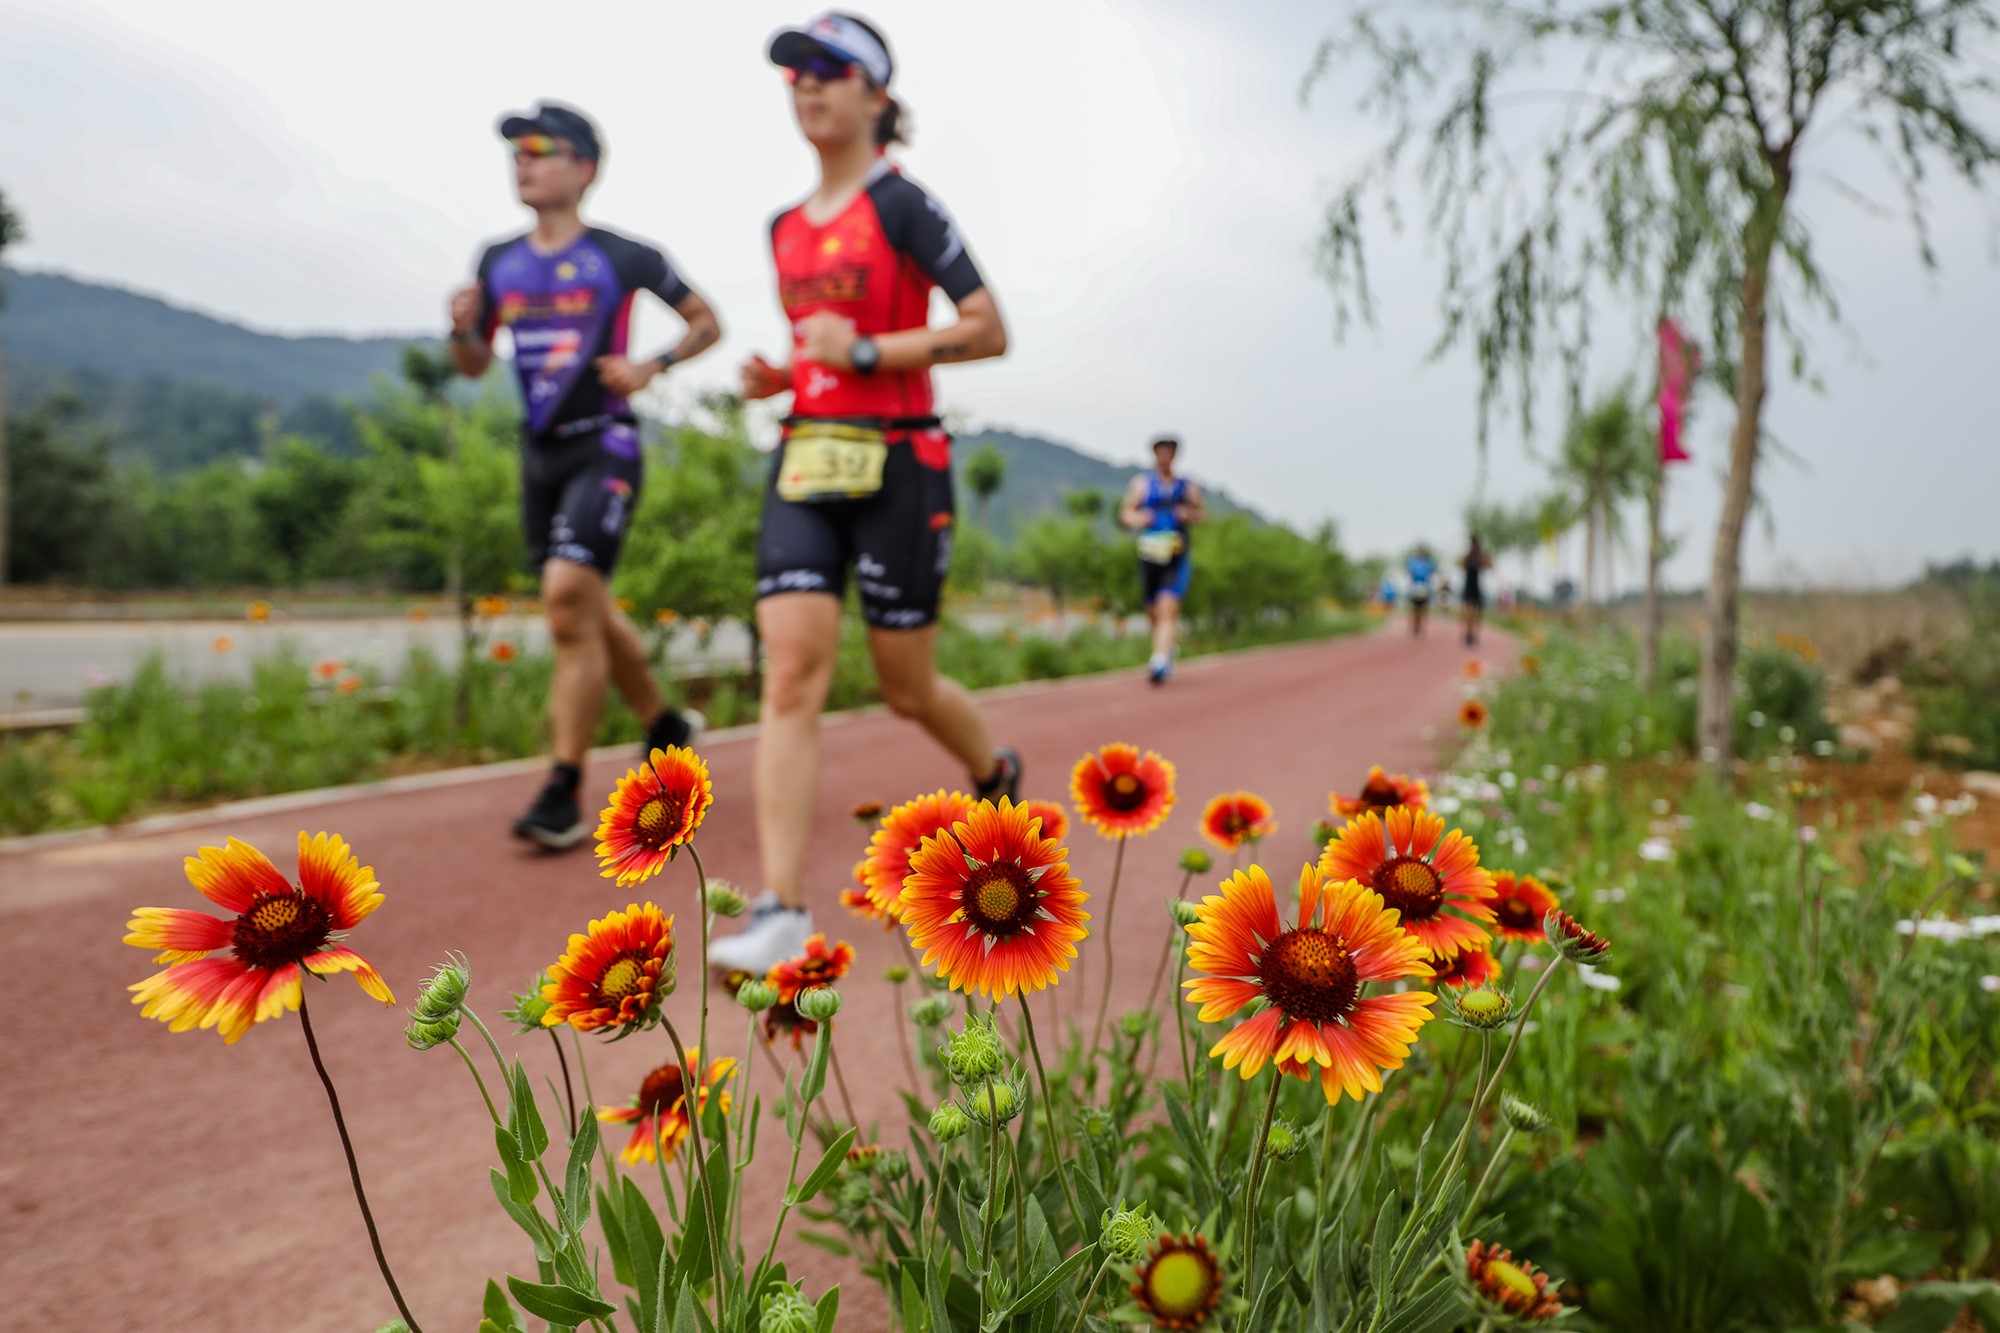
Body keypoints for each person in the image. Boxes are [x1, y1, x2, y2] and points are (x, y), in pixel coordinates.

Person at [709, 12, 1020, 972]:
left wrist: (875, 350)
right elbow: (821, 358)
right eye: (795, 71)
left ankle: (992, 773)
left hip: (900, 462)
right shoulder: (782, 229)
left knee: (904, 687)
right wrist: (787, 380)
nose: (807, 84)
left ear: (877, 96)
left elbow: (988, 328)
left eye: (830, 70)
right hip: (806, 459)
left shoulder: (903, 205)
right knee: (791, 672)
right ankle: (782, 912)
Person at [447, 103, 722, 849]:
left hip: (606, 443)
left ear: (585, 167)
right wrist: (462, 327)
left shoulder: (624, 255)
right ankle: (665, 725)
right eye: (516, 153)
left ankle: (563, 789)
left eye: (541, 150)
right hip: (538, 453)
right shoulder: (496, 259)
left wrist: (649, 365)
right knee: (586, 606)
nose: (524, 162)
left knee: (567, 596)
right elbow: (472, 364)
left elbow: (706, 321)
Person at [1118, 435, 1205, 685]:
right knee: (1152, 609)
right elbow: (1125, 513)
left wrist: (1189, 515)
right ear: (1154, 455)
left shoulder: (1187, 486)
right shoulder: (1142, 485)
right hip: (1150, 552)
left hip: (1176, 553)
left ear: (1175, 455)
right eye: (1160, 452)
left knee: (1168, 605)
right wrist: (1138, 518)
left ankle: (1158, 661)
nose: (1164, 457)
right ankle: (1167, 647)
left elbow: (1202, 515)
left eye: (1169, 452)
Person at [1459, 533, 1490, 647]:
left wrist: (1482, 557)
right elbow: (1460, 564)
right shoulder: (1467, 556)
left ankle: (1474, 635)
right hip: (1468, 586)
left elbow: (1488, 566)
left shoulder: (1480, 556)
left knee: (1477, 613)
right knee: (1467, 612)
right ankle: (1468, 634)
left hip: (1477, 586)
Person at [1405, 544, 1437, 637]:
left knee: (1424, 608)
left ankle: (1421, 625)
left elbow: (1433, 571)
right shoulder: (1413, 561)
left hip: (1425, 587)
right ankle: (1415, 624)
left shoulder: (1429, 562)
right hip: (1415, 586)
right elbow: (1409, 571)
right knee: (1415, 607)